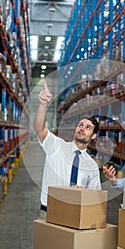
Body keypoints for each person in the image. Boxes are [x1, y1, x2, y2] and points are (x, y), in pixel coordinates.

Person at [34, 80, 101, 215]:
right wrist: (43, 104)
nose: (82, 129)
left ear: (93, 136)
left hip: (76, 213)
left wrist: (85, 192)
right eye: (80, 125)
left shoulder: (92, 165)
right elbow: (40, 129)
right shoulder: (57, 146)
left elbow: (96, 196)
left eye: (88, 128)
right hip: (49, 212)